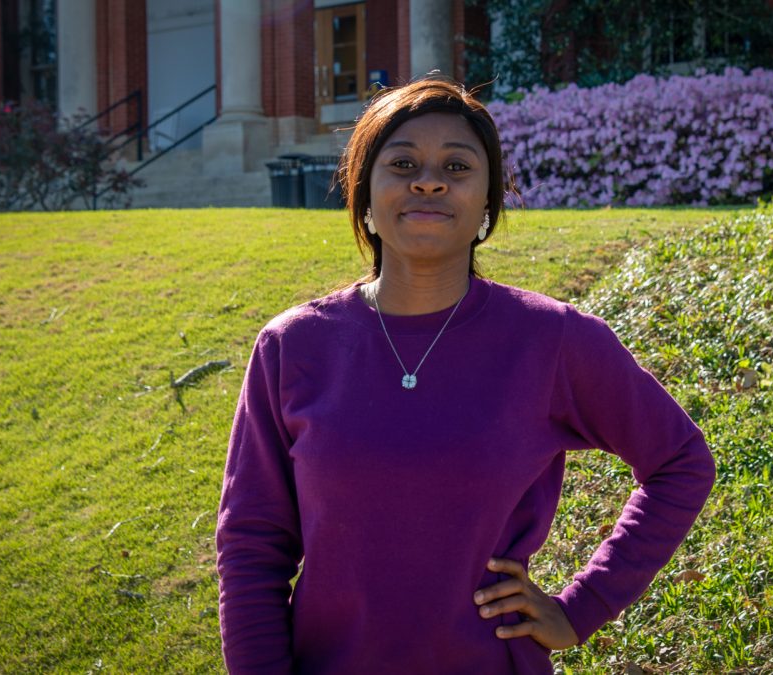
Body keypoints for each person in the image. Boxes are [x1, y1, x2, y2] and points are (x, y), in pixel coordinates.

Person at [216, 76, 716, 675]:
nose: (428, 180)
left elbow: (680, 464)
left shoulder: (553, 340)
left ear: (487, 204)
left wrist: (583, 607)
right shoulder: (293, 346)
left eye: (457, 166)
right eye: (402, 163)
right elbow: (250, 545)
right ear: (365, 197)